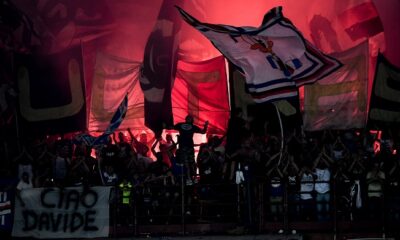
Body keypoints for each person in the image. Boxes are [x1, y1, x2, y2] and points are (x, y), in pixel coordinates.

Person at [173, 114, 208, 185]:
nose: (189, 118)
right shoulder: (180, 125)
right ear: (185, 119)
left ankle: (194, 178)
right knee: (186, 164)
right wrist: (165, 125)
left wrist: (206, 126)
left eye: (190, 118)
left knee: (192, 163)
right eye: (188, 117)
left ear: (192, 120)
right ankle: (189, 178)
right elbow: (171, 127)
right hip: (183, 148)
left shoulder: (193, 127)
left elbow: (203, 132)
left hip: (189, 147)